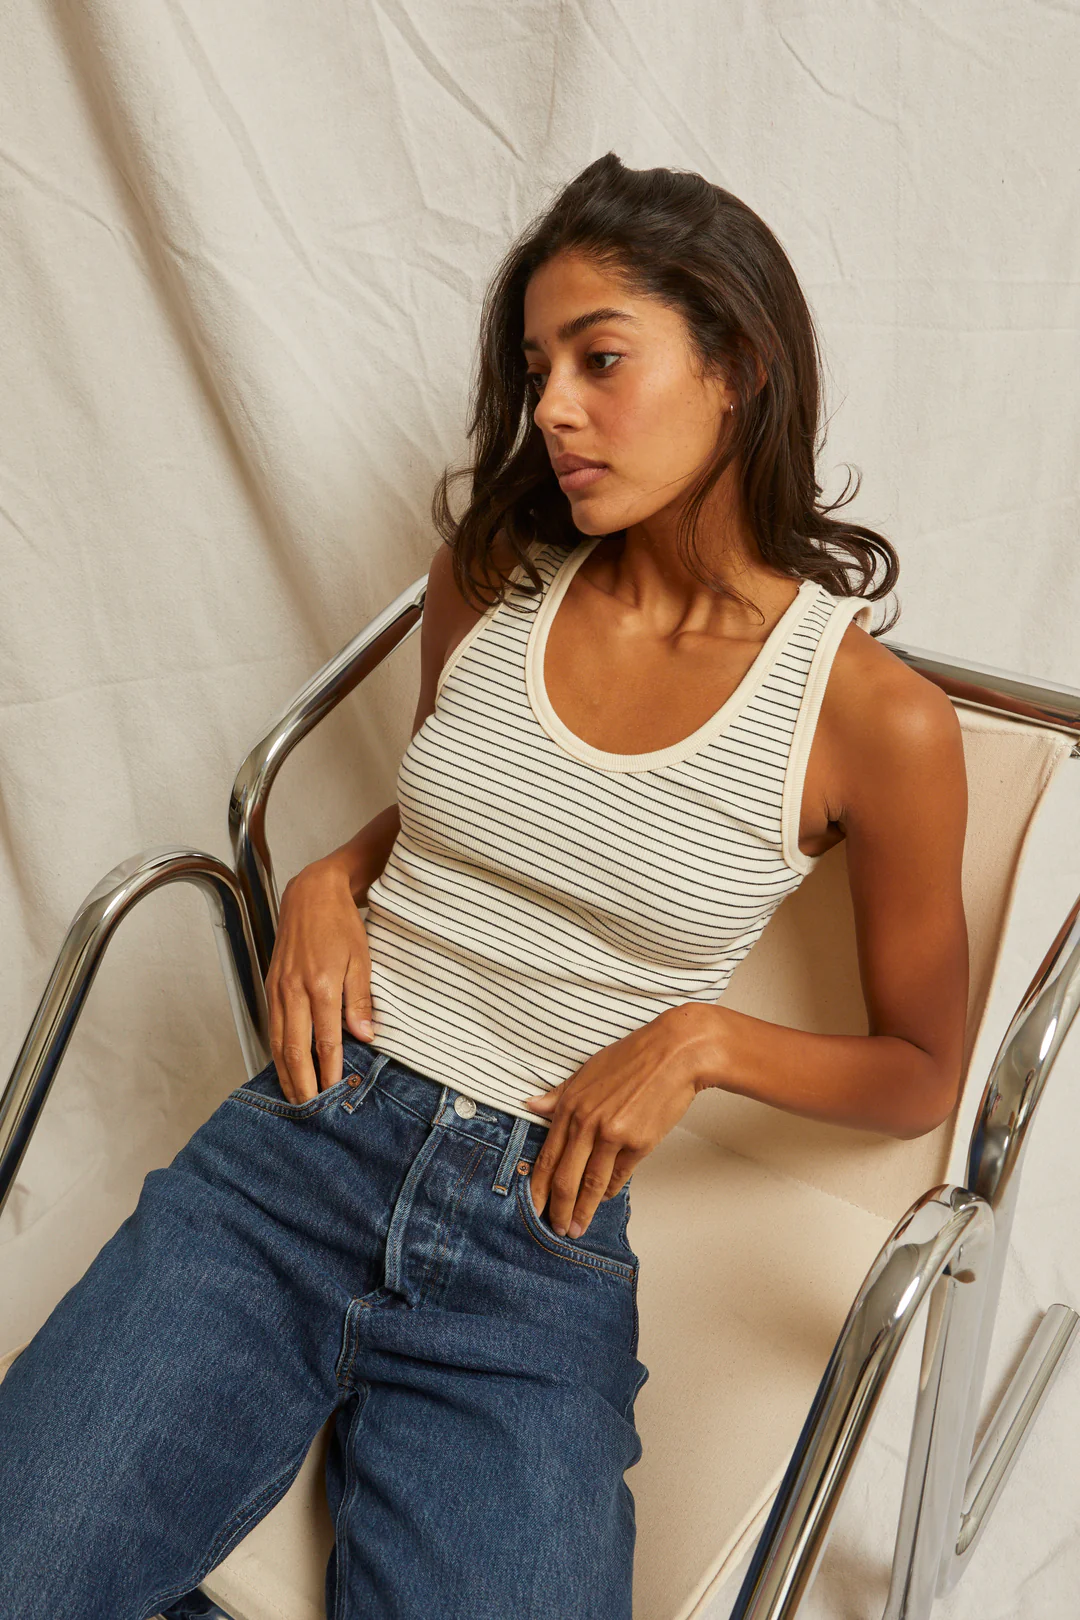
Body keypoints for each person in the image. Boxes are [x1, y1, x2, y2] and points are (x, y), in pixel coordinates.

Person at [0, 152, 968, 1620]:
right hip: (300, 1151)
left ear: (738, 366)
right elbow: (472, 813)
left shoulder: (874, 719)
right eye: (535, 371)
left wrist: (702, 1042)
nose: (553, 410)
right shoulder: (494, 572)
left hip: (536, 1242)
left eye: (600, 360)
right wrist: (334, 875)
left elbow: (923, 1072)